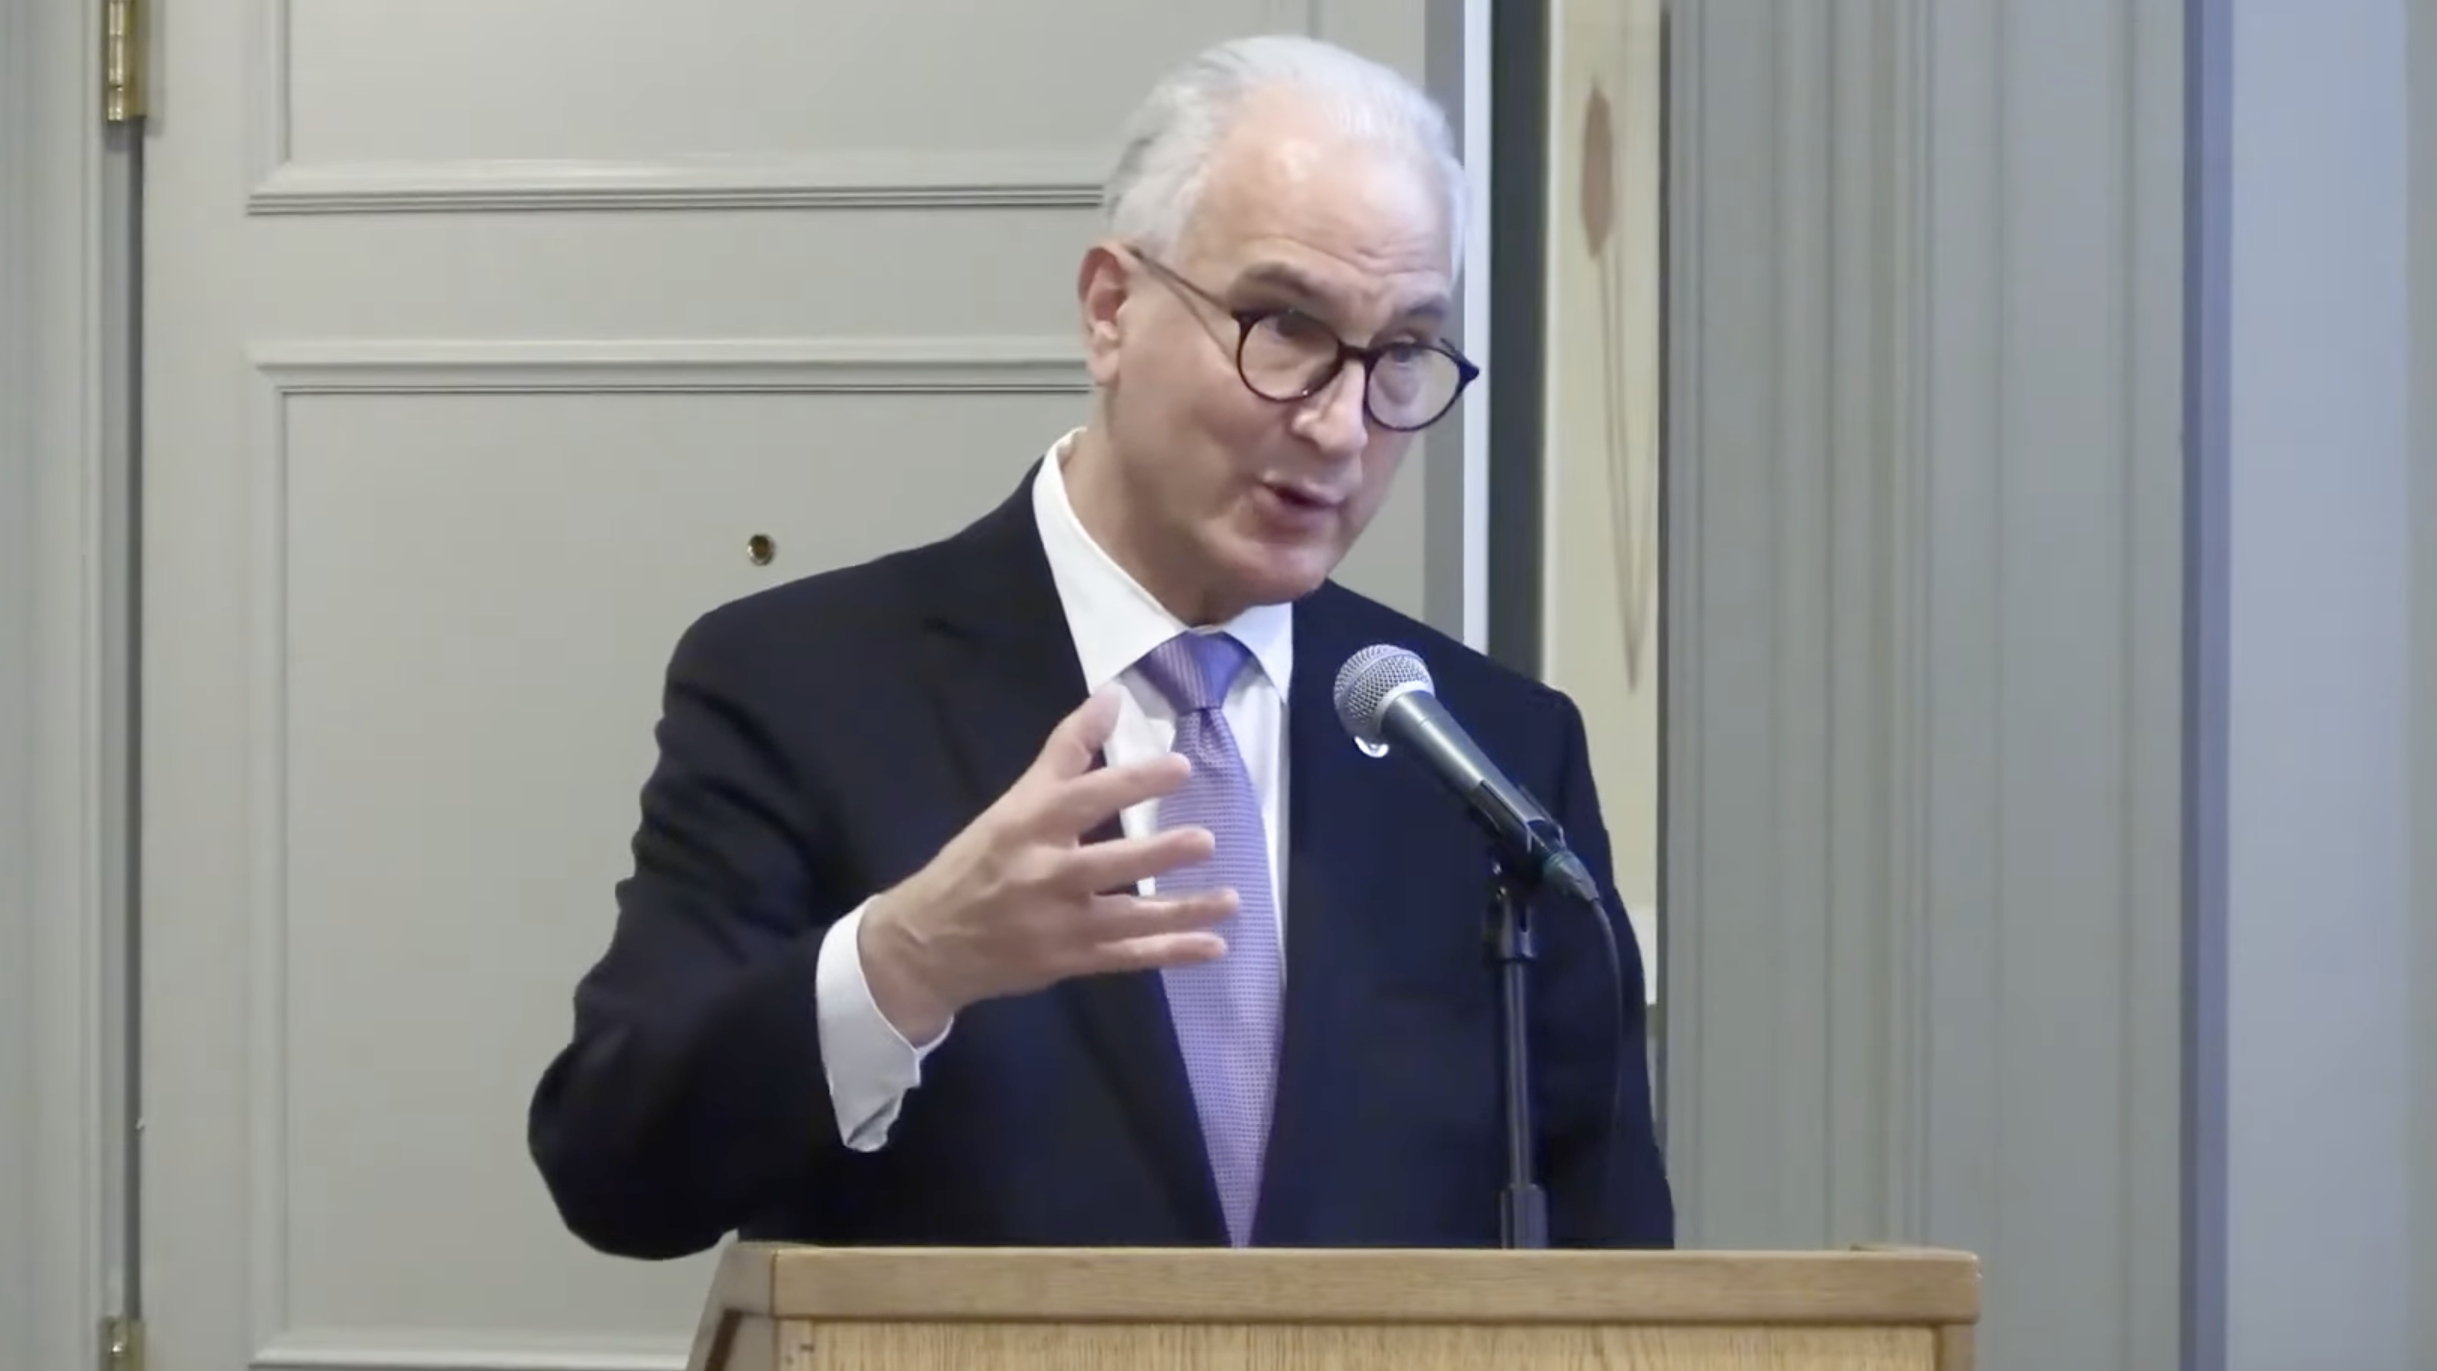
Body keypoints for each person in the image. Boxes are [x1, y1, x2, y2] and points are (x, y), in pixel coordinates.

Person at [527, 33, 1672, 1257]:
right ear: (1111, 311)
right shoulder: (803, 686)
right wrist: (905, 961)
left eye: (1400, 354)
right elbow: (617, 1173)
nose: (1343, 426)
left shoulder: (1492, 758)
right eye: (1286, 326)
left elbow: (1612, 1268)